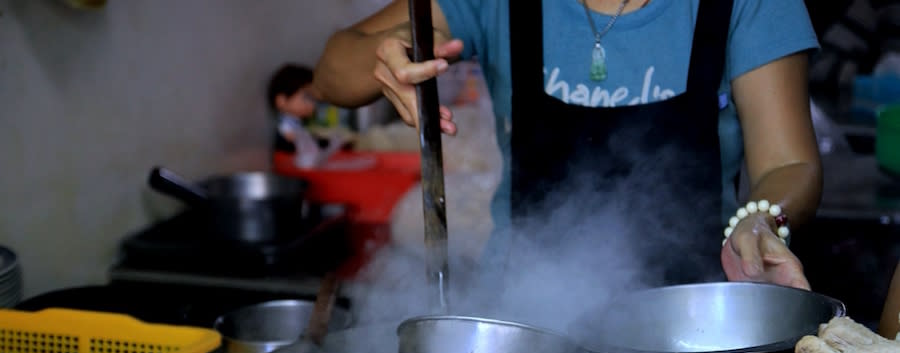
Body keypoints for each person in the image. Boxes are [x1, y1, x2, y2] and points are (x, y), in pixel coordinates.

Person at [313, 0, 823, 290]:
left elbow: (789, 161)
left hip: (690, 329)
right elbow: (332, 71)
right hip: (528, 321)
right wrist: (389, 55)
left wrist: (762, 219)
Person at [267, 63, 341, 169]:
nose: (312, 104)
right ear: (281, 101)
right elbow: (293, 139)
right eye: (306, 98)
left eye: (314, 100)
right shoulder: (287, 124)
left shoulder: (298, 122)